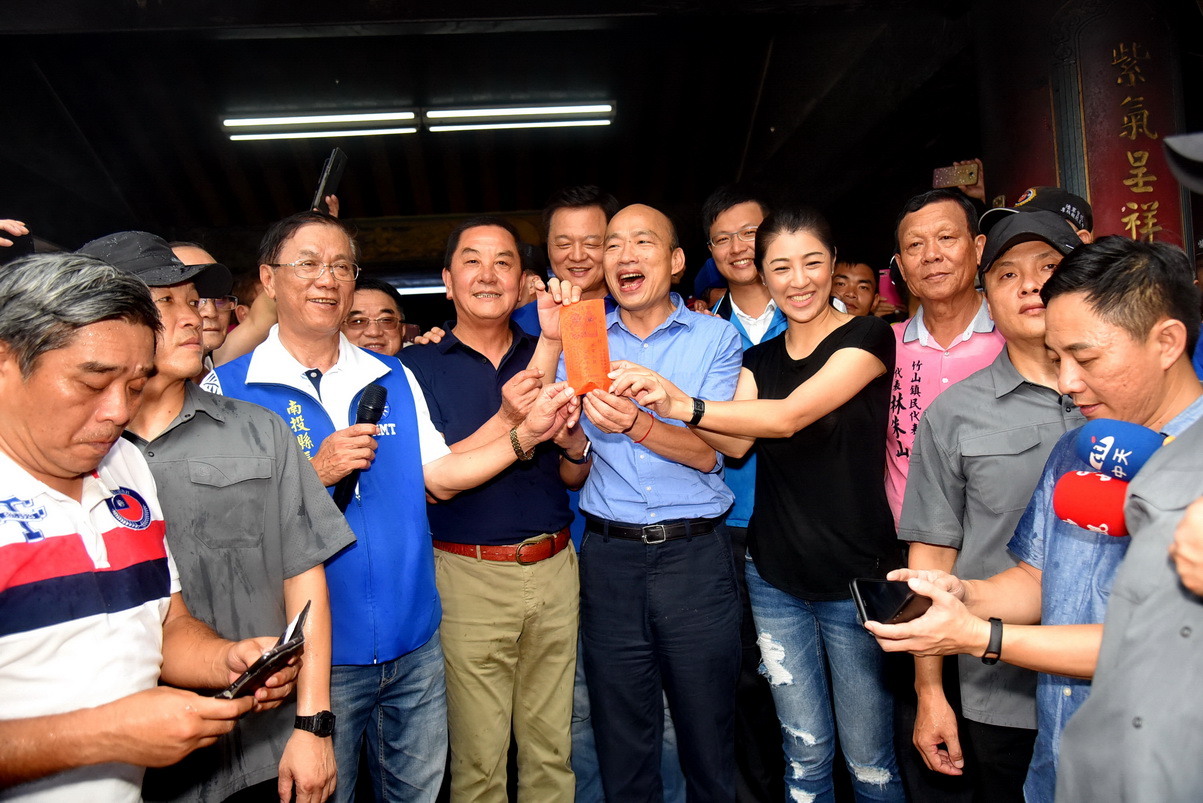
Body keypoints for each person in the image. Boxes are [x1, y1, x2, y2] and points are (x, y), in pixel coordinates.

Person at [203, 210, 578, 802]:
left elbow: (444, 475)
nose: (327, 279)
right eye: (308, 264)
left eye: (341, 267)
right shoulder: (228, 389)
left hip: (416, 647)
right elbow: (217, 534)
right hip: (314, 663)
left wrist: (523, 434)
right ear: (270, 281)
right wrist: (314, 473)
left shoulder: (392, 375)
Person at [868, 236, 1203, 803]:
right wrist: (962, 595)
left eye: (1087, 357)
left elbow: (1153, 640)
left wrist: (979, 637)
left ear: (1167, 341)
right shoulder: (1079, 448)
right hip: (1060, 760)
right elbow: (1036, 578)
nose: (1069, 381)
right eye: (1057, 356)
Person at [610, 204, 906, 802]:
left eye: (812, 263)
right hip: (774, 576)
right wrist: (645, 409)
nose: (799, 280)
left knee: (869, 762)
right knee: (804, 752)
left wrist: (679, 402)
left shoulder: (866, 338)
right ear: (762, 277)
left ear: (834, 266)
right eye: (782, 267)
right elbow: (735, 440)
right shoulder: (758, 359)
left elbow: (788, 417)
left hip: (859, 579)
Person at [0, 253, 298, 802]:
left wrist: (224, 659)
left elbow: (165, 624)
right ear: (6, 360)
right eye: (93, 382)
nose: (116, 411)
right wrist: (103, 735)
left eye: (135, 385)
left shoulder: (125, 467)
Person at [73, 231, 353, 803]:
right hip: (124, 767)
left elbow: (305, 578)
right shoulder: (72, 456)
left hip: (262, 752)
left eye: (194, 300)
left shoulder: (260, 432)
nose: (195, 317)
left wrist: (313, 725)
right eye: (166, 302)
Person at [528, 202, 743, 801]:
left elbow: (710, 453)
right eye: (613, 245)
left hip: (694, 559)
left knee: (707, 741)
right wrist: (571, 441)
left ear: (675, 262)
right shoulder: (581, 334)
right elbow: (574, 476)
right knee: (622, 742)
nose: (624, 256)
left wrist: (636, 425)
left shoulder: (715, 338)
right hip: (610, 561)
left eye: (643, 243)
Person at [895, 211, 1084, 801]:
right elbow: (932, 559)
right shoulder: (953, 415)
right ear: (988, 295)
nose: (1030, 285)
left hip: (1125, 684)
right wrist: (931, 693)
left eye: (1049, 268)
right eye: (1007, 274)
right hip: (1002, 689)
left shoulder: (1130, 397)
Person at [399, 217, 587, 801]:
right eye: (472, 261)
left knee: (552, 755)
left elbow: (573, 471)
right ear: (447, 281)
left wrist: (575, 443)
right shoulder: (412, 367)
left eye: (504, 262)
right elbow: (436, 482)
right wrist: (514, 424)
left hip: (556, 567)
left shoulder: (549, 351)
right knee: (479, 765)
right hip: (468, 575)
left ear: (526, 281)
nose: (488, 275)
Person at [699, 183, 786, 802]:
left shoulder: (817, 319)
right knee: (741, 681)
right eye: (723, 236)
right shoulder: (701, 331)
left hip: (802, 525)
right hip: (727, 527)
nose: (738, 246)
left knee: (805, 676)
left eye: (750, 231)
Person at [886, 189, 1005, 525]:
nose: (931, 255)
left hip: (1000, 544)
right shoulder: (882, 348)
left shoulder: (1015, 338)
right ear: (901, 268)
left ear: (978, 248)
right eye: (914, 245)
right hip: (910, 542)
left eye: (946, 237)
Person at [511, 185, 619, 337]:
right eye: (564, 244)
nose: (577, 256)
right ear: (548, 247)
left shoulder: (637, 311)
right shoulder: (518, 325)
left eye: (591, 244)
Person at [342, 276, 405, 356]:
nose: (374, 332)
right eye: (358, 321)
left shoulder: (417, 365)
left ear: (403, 330)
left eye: (386, 320)